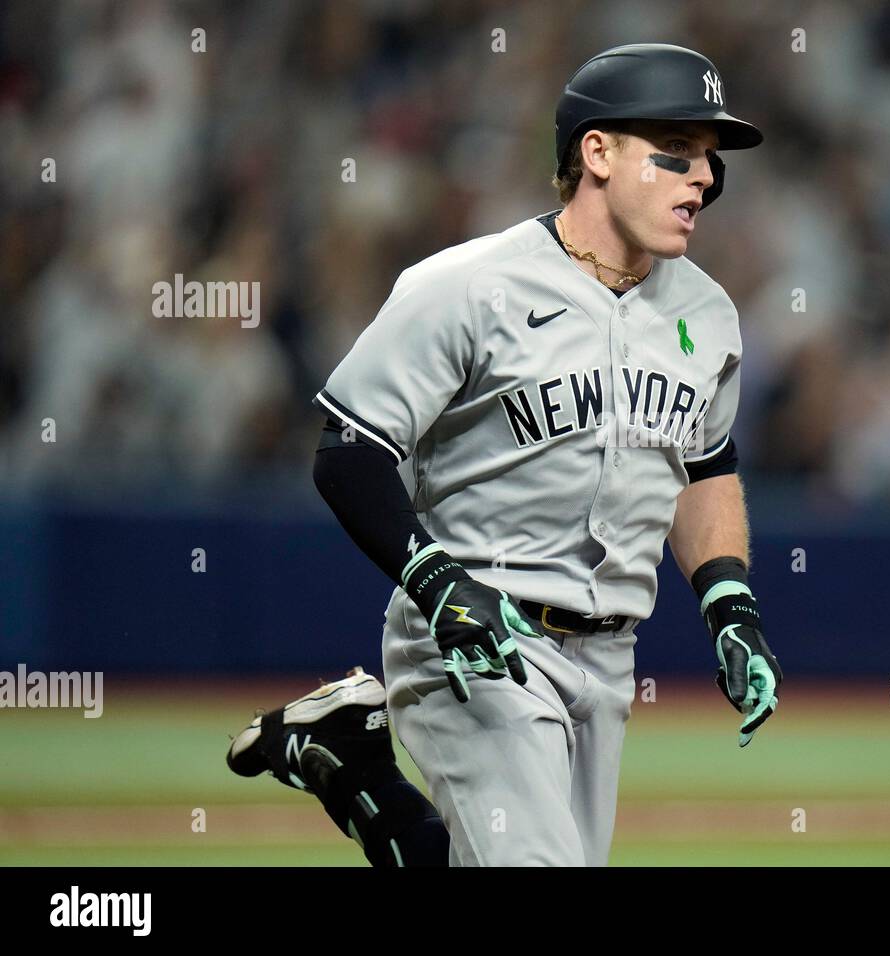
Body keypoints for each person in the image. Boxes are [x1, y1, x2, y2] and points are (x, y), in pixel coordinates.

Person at [227, 42, 782, 867]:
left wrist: (729, 602)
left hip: (609, 656)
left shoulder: (708, 312)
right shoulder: (467, 285)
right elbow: (349, 451)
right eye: (676, 154)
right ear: (597, 153)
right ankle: (351, 760)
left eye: (710, 163)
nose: (702, 179)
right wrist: (437, 581)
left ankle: (350, 764)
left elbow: (702, 469)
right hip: (476, 637)